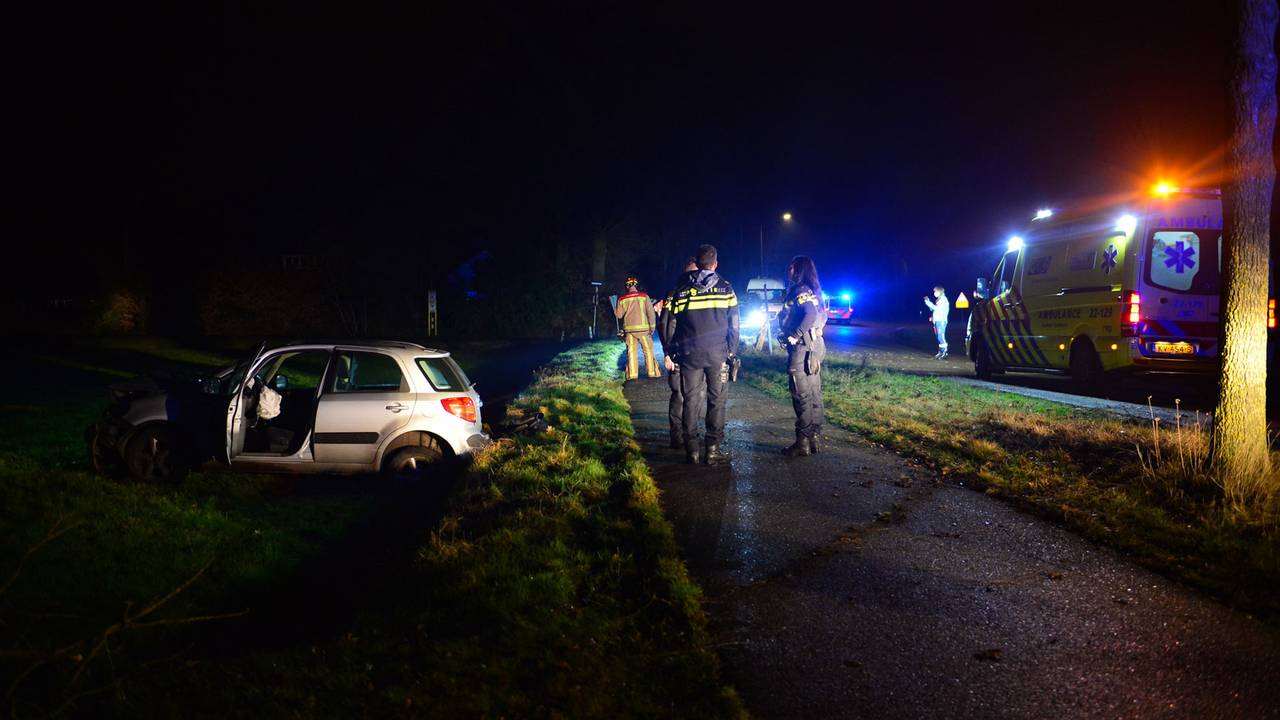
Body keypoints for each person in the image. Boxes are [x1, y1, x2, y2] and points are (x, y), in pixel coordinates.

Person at [661, 245, 740, 465]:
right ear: (715, 264)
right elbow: (735, 325)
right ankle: (712, 449)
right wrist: (731, 351)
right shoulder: (727, 289)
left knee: (690, 400)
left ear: (697, 262)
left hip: (689, 355)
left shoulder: (682, 291)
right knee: (717, 401)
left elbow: (670, 323)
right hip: (717, 355)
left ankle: (692, 450)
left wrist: (671, 351)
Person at [776, 255, 826, 457]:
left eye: (791, 267)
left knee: (801, 395)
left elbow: (811, 315)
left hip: (803, 349)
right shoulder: (814, 291)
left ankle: (802, 443)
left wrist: (795, 335)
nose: (788, 270)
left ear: (798, 270)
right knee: (814, 394)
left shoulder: (800, 291)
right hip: (815, 348)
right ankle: (814, 439)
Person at [658, 257, 699, 448]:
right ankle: (677, 435)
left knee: (693, 396)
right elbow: (666, 324)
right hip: (677, 354)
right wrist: (667, 353)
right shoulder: (674, 294)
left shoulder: (695, 294)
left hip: (694, 355)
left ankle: (689, 433)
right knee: (679, 394)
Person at [615, 276, 660, 381]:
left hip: (629, 331)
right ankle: (652, 373)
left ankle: (632, 375)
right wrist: (652, 328)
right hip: (644, 330)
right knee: (648, 351)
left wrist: (615, 308)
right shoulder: (644, 297)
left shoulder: (622, 299)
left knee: (631, 352)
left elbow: (619, 315)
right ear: (636, 285)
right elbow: (651, 313)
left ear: (627, 286)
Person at [923, 285, 950, 359]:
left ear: (939, 292)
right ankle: (940, 352)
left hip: (941, 320)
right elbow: (934, 310)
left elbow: (936, 308)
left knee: (941, 336)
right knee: (938, 336)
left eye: (935, 291)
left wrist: (928, 303)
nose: (934, 293)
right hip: (937, 320)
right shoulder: (939, 299)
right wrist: (928, 302)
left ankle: (944, 352)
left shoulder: (943, 300)